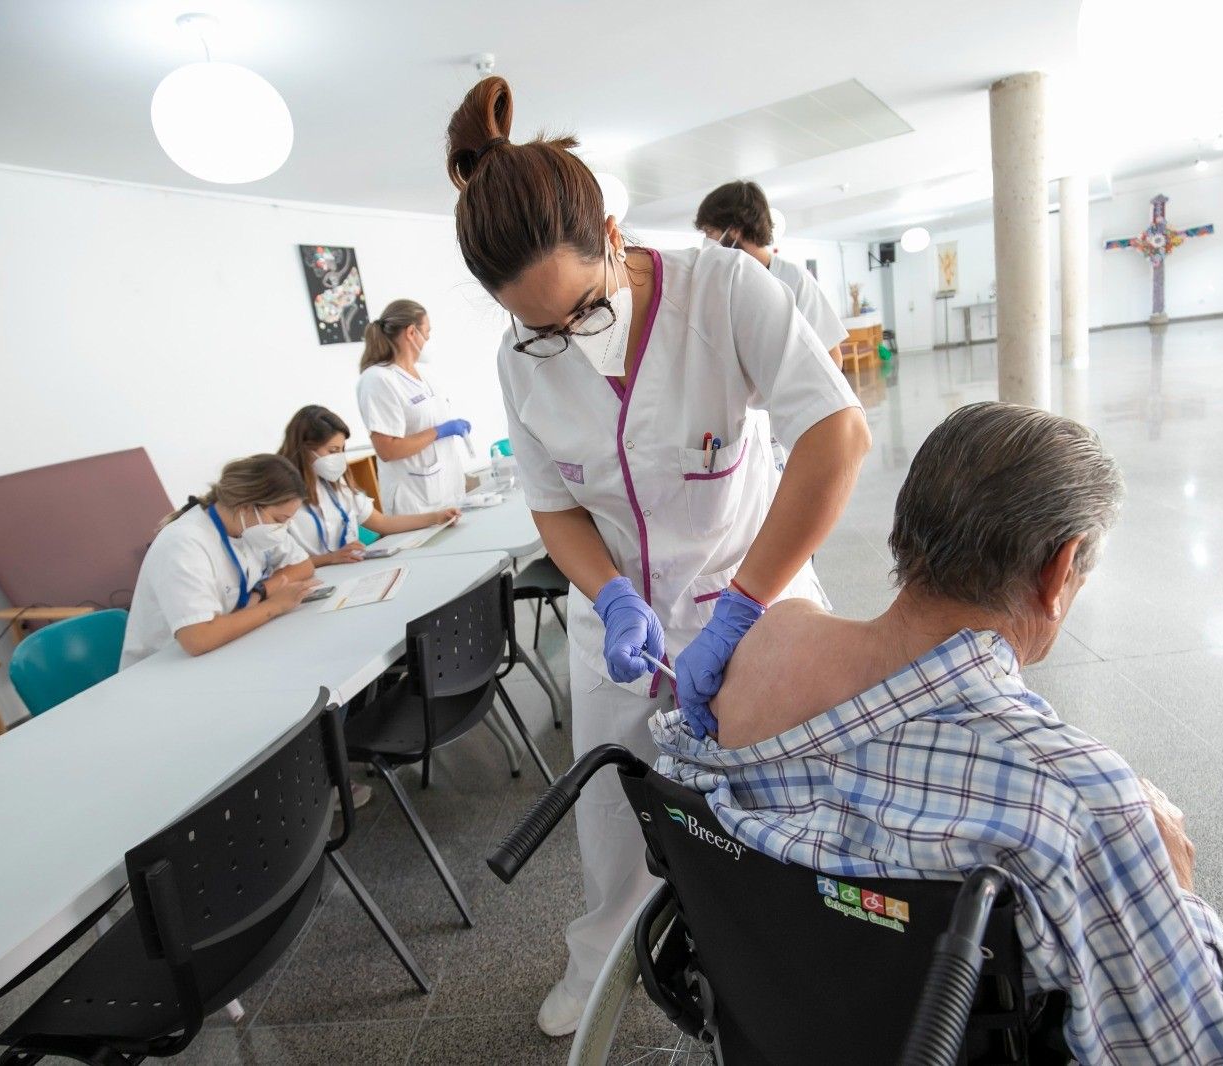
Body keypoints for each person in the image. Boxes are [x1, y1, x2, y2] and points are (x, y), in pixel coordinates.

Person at [444, 75, 871, 1036]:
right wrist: (611, 597)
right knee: (611, 821)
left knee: (782, 799)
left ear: (612, 233)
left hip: (753, 594)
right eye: (538, 329)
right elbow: (555, 506)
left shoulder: (722, 290)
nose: (561, 340)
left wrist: (744, 607)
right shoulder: (521, 364)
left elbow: (836, 437)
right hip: (621, 625)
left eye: (583, 311)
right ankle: (599, 964)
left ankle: (792, 964)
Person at [654, 402, 1223, 1065]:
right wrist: (1179, 895)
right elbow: (1187, 1050)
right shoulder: (1076, 798)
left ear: (905, 532)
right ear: (1059, 571)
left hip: (769, 1027)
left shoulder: (757, 655)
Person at [119, 454, 319, 670]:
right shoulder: (184, 542)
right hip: (165, 669)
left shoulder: (252, 527)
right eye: (280, 519)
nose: (284, 527)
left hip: (222, 649)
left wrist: (262, 591)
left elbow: (303, 565)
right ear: (245, 506)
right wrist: (275, 606)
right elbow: (198, 638)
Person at [276, 404, 461, 566]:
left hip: (348, 571)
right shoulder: (280, 496)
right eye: (332, 451)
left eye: (342, 450)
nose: (339, 457)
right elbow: (278, 566)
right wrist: (330, 558)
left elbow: (382, 523)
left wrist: (436, 517)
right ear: (304, 449)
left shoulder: (335, 485)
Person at [694, 180, 848, 368]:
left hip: (792, 395)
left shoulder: (794, 279)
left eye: (710, 232)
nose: (708, 241)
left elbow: (832, 354)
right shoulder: (720, 284)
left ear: (734, 230)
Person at [355, 298, 474, 513]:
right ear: (411, 332)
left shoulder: (425, 374)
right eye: (427, 331)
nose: (428, 338)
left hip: (447, 491)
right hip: (415, 501)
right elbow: (387, 449)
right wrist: (439, 431)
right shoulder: (378, 379)